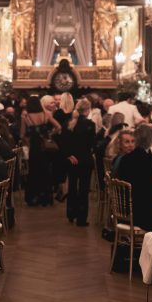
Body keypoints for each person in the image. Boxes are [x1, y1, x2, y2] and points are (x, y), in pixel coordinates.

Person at [114, 123, 152, 233]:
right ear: (151, 140)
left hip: (125, 211)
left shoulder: (125, 159)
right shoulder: (150, 160)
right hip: (142, 215)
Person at [59, 97, 96, 226]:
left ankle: (71, 213)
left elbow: (62, 142)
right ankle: (81, 218)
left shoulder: (68, 123)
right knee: (84, 189)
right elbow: (92, 144)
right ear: (88, 110)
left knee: (72, 186)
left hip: (72, 160)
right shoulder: (90, 125)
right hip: (85, 160)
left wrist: (69, 155)